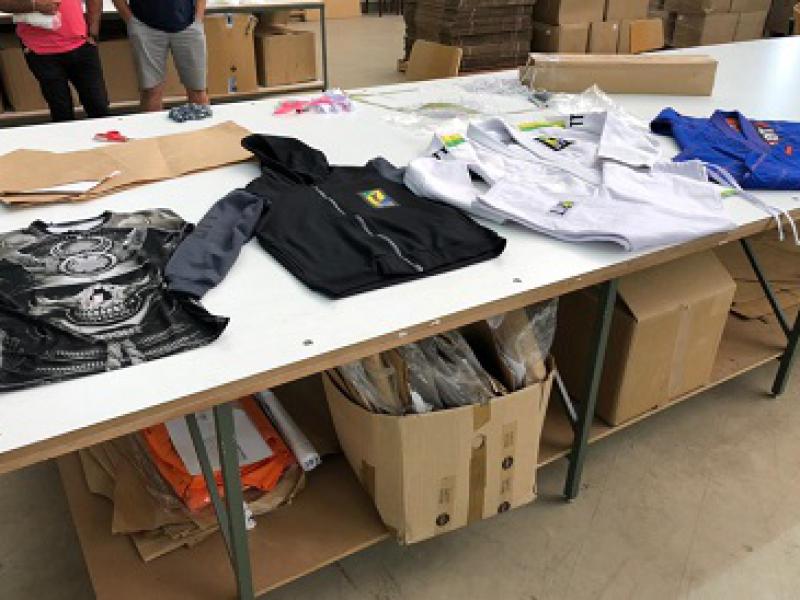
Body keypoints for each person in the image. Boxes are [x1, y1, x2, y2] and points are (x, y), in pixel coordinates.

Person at [0, 0, 109, 122]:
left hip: (81, 43)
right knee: (61, 112)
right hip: (41, 50)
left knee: (99, 106)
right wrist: (35, 5)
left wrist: (93, 32)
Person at [111, 0, 208, 112]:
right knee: (150, 92)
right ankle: (152, 124)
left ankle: (202, 122)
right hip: (145, 27)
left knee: (198, 91)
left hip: (188, 24)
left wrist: (198, 18)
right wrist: (131, 21)